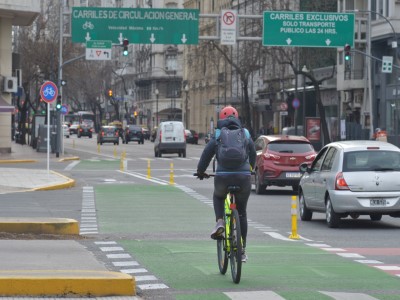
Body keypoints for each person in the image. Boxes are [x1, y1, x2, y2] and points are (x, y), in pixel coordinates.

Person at [196, 106, 256, 262]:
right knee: (242, 212)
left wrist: (201, 171)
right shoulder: (245, 133)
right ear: (237, 118)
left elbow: (206, 155)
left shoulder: (217, 134)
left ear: (221, 119)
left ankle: (220, 221)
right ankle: (242, 250)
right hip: (243, 177)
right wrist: (251, 169)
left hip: (223, 176)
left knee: (218, 196)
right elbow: (253, 153)